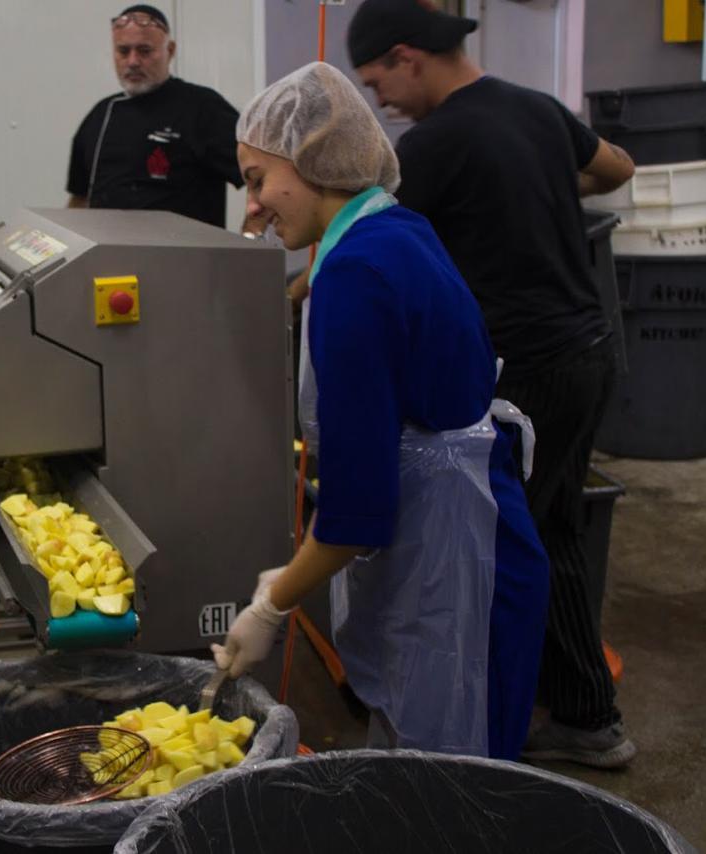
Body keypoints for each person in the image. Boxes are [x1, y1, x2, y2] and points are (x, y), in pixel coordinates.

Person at [211, 61, 551, 762]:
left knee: (455, 788)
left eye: (256, 180)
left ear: (311, 156)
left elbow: (358, 510)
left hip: (459, 574)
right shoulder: (393, 231)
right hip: (474, 537)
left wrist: (273, 604)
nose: (253, 207)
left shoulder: (355, 274)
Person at [346, 0, 637, 768]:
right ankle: (587, 716)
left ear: (408, 56)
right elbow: (617, 168)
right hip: (589, 352)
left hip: (525, 374)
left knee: (503, 557)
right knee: (556, 532)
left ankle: (487, 750)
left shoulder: (434, 143)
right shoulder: (536, 108)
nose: (382, 102)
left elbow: (369, 245)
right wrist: (537, 179)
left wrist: (295, 293)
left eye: (378, 83)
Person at [65, 4, 244, 227]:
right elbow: (79, 198)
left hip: (186, 248)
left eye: (144, 51)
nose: (132, 61)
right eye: (123, 51)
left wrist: (252, 228)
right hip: (108, 247)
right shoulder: (100, 114)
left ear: (170, 50)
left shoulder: (203, 107)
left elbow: (262, 171)